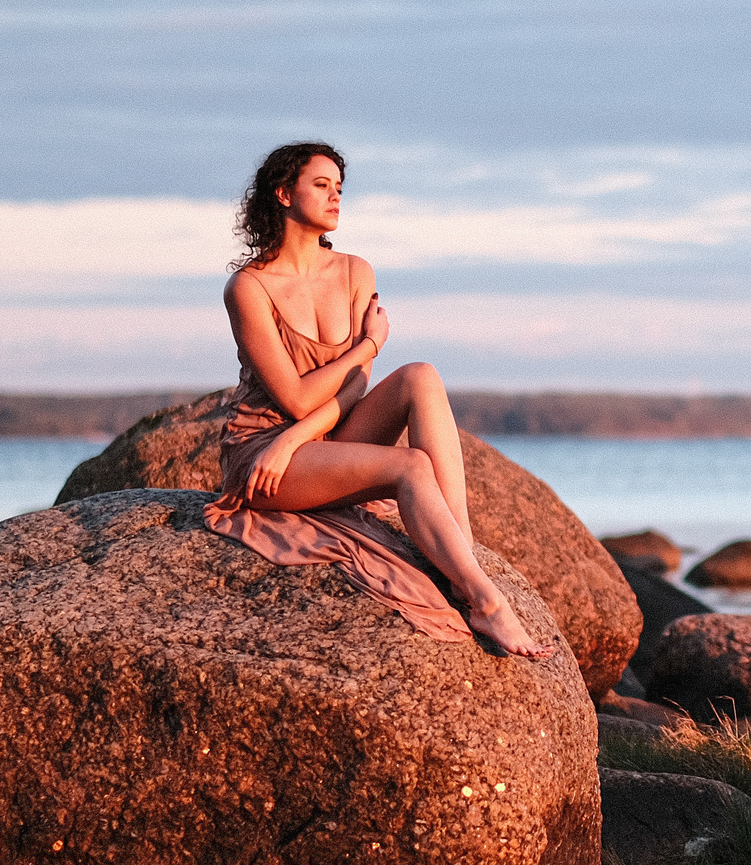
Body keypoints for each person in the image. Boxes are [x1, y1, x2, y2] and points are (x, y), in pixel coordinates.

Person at [203, 142, 551, 658]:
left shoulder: (355, 271)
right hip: (264, 456)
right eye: (321, 185)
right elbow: (296, 399)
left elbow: (355, 388)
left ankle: (462, 555)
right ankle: (486, 602)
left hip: (317, 439)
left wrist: (300, 434)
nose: (335, 197)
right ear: (283, 194)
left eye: (339, 188)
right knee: (411, 466)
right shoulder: (249, 288)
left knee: (420, 376)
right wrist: (368, 346)